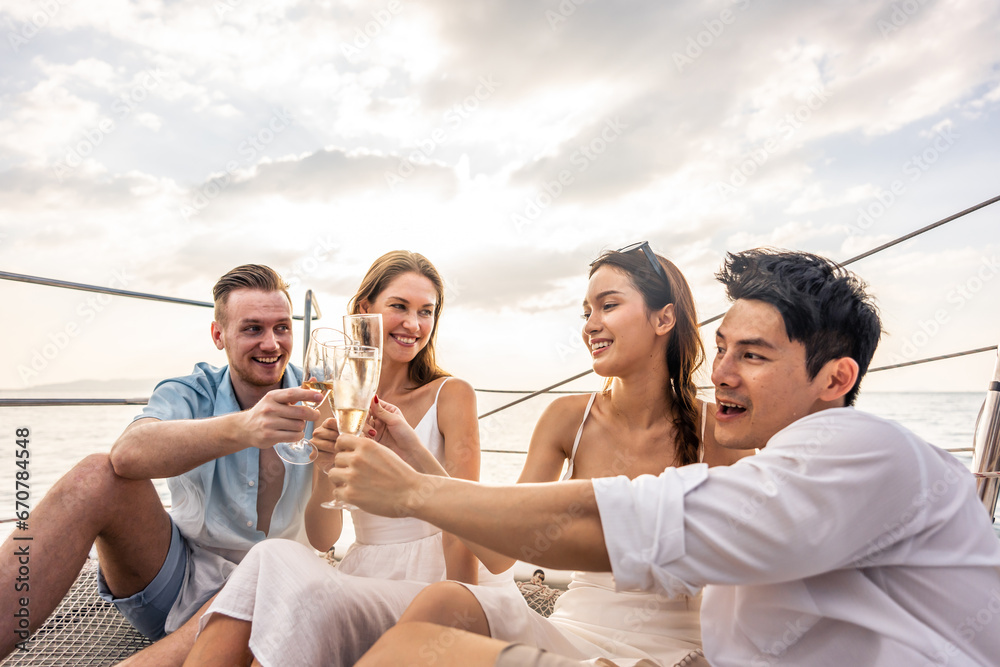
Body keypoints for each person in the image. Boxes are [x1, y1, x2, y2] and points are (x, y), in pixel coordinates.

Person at [329, 249, 1000, 666]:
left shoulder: (857, 451)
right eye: (726, 348)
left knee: (414, 653)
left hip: (662, 642)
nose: (725, 372)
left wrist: (412, 492)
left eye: (755, 355)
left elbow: (624, 524)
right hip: (615, 634)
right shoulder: (778, 462)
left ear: (835, 378)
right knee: (437, 617)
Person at [372, 242, 750, 667]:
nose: (591, 325)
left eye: (608, 306)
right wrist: (414, 452)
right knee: (443, 600)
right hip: (574, 632)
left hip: (670, 649)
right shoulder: (567, 418)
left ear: (664, 318)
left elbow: (745, 571)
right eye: (586, 312)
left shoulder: (717, 430)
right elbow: (500, 554)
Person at [0, 264, 339, 665]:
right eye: (252, 329)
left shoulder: (321, 397)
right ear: (219, 335)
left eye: (282, 327)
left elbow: (324, 540)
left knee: (270, 581)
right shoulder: (190, 391)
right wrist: (244, 427)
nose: (271, 343)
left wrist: (328, 466)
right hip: (178, 580)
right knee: (95, 475)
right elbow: (128, 453)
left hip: (275, 591)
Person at [184, 250, 494, 667]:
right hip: (367, 571)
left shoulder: (452, 394)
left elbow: (465, 520)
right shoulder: (339, 401)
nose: (413, 324)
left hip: (439, 578)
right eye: (399, 307)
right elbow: (323, 537)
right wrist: (325, 468)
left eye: (426, 311)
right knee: (274, 559)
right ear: (365, 310)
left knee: (280, 573)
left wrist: (459, 621)